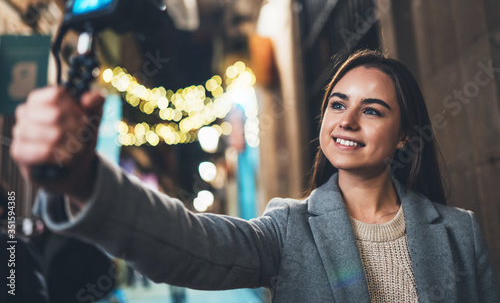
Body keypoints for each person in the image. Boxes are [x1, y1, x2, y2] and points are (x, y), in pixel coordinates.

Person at [10, 50, 500, 302]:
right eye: (336, 104)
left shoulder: (460, 231)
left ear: (404, 138)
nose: (346, 121)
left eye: (371, 110)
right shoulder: (288, 230)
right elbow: (188, 243)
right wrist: (84, 182)